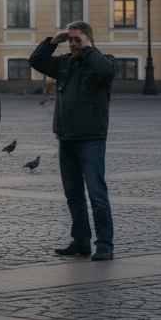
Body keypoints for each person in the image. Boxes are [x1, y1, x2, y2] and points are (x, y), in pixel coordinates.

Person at [30, 21, 119, 261]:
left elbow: (107, 73)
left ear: (89, 40)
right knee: (73, 194)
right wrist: (53, 41)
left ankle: (104, 244)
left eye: (77, 40)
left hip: (91, 138)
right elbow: (36, 61)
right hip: (66, 137)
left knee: (97, 194)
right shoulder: (65, 63)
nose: (72, 45)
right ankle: (81, 241)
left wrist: (88, 49)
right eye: (70, 40)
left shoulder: (104, 60)